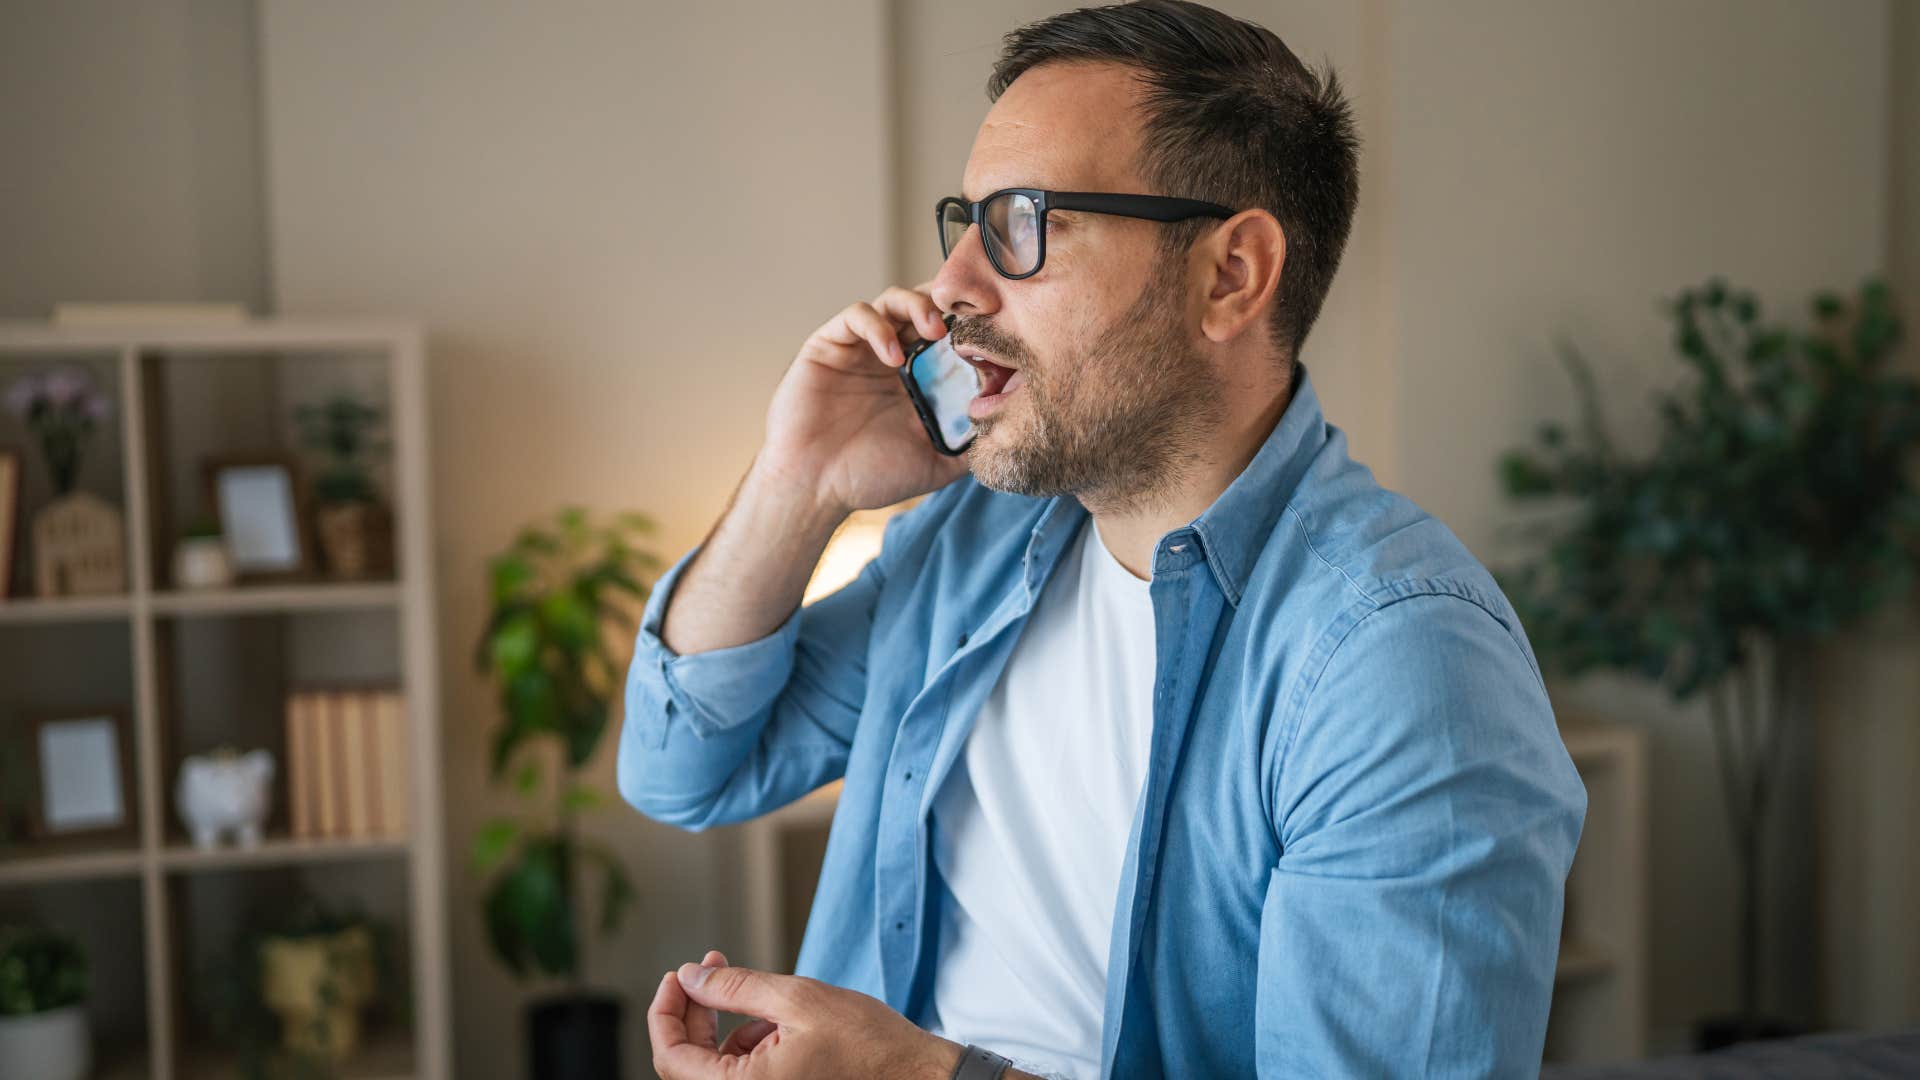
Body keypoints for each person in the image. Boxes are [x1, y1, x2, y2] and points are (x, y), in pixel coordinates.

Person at [624, 2, 1586, 1077]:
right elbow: (683, 771)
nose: (948, 292)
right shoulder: (976, 536)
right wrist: (797, 482)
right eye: (966, 223)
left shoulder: (1400, 664)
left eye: (1024, 224)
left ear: (1230, 274)